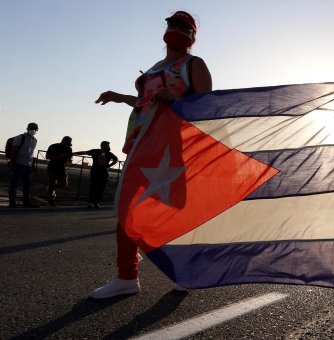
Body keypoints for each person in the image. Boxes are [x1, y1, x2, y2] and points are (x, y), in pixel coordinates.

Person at [90, 10, 212, 299]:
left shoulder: (193, 63)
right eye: (172, 23)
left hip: (172, 146)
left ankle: (186, 272)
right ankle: (126, 275)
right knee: (126, 205)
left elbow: (207, 105)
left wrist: (179, 98)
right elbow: (145, 101)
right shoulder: (156, 66)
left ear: (192, 36)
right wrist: (119, 97)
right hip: (141, 142)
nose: (175, 29)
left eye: (183, 26)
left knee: (176, 210)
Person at [73, 141, 118, 209]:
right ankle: (94, 202)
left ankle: (93, 202)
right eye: (108, 145)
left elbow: (84, 152)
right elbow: (116, 159)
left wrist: (74, 153)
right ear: (105, 146)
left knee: (96, 187)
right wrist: (109, 165)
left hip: (98, 172)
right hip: (100, 172)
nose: (109, 147)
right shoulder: (106, 153)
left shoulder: (96, 151)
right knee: (97, 187)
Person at [8, 123, 39, 208]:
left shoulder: (34, 140)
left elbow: (31, 153)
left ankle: (27, 202)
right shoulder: (20, 138)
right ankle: (12, 202)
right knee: (14, 184)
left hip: (28, 166)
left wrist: (32, 164)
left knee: (28, 184)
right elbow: (13, 151)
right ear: (27, 128)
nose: (33, 130)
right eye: (32, 128)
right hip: (18, 164)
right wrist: (12, 164)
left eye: (35, 129)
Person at [46, 136, 73, 206]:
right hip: (52, 167)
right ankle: (51, 201)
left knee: (64, 183)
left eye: (68, 144)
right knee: (52, 182)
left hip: (61, 168)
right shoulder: (53, 146)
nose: (67, 145)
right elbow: (47, 156)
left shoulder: (69, 148)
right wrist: (58, 157)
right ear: (63, 141)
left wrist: (69, 160)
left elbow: (70, 158)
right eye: (66, 143)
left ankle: (51, 188)